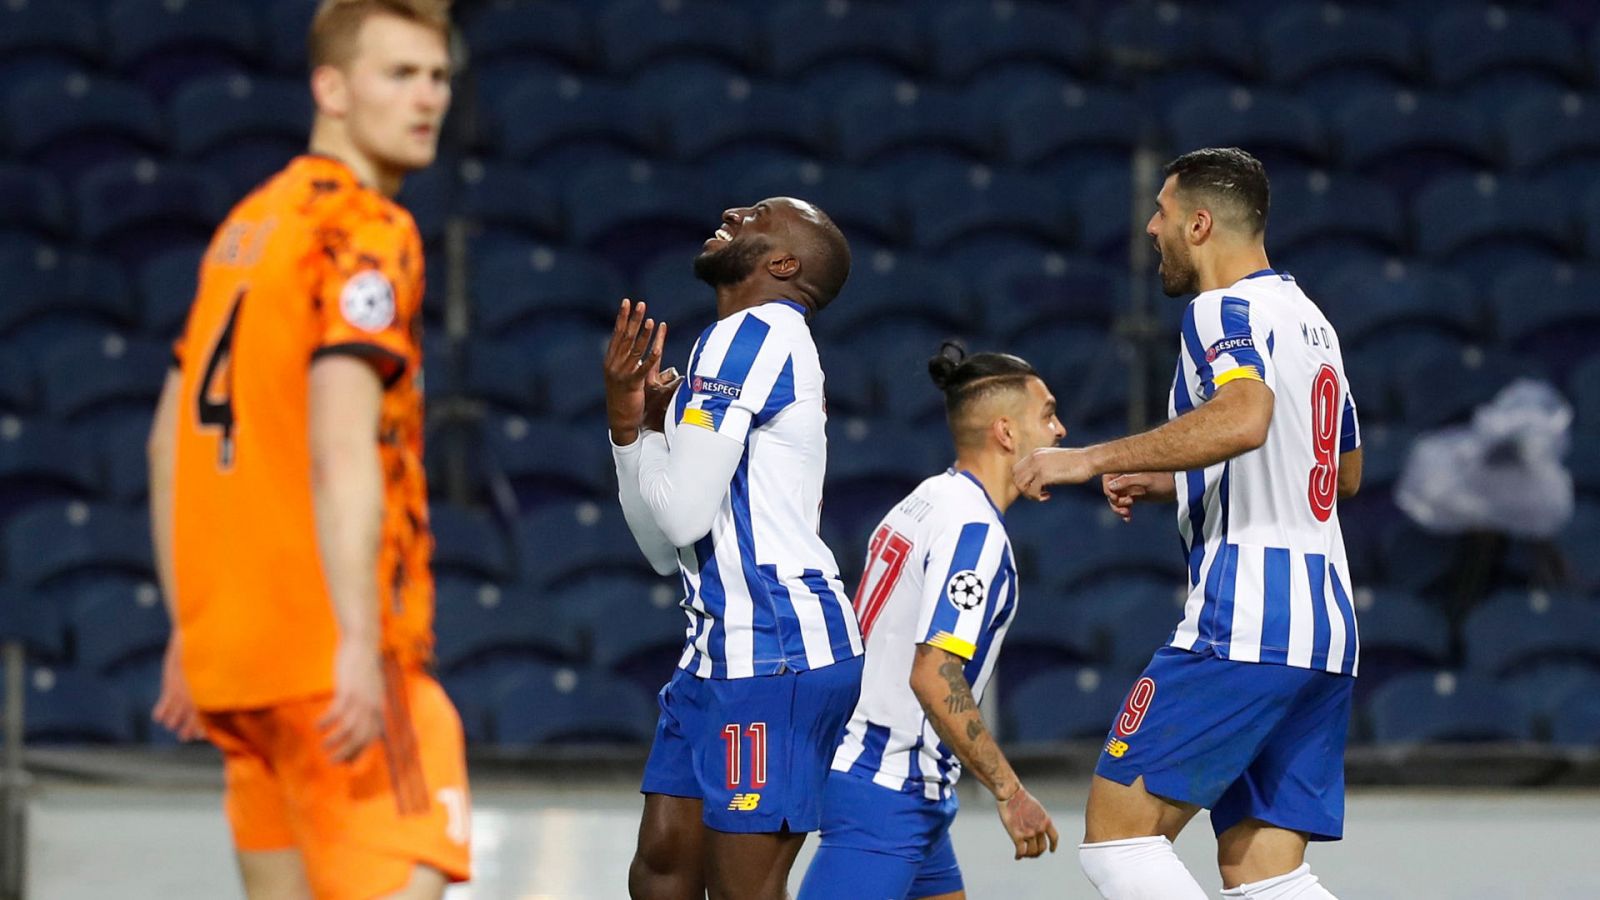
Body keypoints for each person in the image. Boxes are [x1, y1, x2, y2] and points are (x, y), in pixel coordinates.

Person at [146, 2, 468, 897]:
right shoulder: (368, 229)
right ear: (329, 88)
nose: (428, 98)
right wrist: (360, 643)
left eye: (438, 76)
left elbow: (166, 440)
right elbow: (341, 444)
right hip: (337, 660)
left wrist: (189, 626)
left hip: (237, 665)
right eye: (399, 74)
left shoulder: (247, 229)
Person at [1012, 147, 1363, 900]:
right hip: (1326, 621)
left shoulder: (1219, 309)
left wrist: (1086, 460)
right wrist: (1181, 473)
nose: (1151, 227)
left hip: (1249, 615)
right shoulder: (1310, 320)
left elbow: (1245, 416)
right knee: (1262, 869)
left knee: (1118, 838)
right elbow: (1342, 468)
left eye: (1163, 213)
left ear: (1200, 224)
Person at [603, 197, 865, 900]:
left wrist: (654, 442)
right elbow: (666, 549)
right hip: (718, 650)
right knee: (662, 871)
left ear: (784, 264)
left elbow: (681, 514)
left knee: (742, 889)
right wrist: (633, 432)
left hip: (775, 651)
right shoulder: (736, 348)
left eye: (759, 215)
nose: (734, 211)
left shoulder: (750, 335)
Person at [797, 343, 1063, 900]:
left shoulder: (925, 499)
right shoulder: (975, 532)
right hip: (886, 785)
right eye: (1047, 415)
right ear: (1007, 434)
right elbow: (933, 674)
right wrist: (1011, 793)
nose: (1060, 431)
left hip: (901, 779)